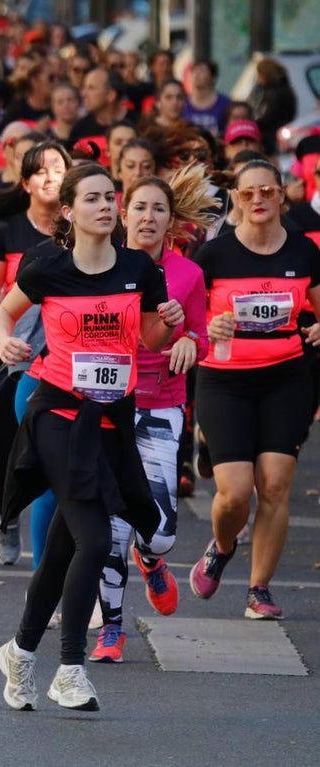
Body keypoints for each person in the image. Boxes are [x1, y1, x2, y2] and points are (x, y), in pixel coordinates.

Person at [0, 163, 183, 711]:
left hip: (111, 417)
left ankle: (21, 652)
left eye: (110, 197)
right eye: (93, 198)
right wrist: (7, 343)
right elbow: (5, 316)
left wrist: (167, 320)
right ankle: (70, 668)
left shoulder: (139, 268)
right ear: (69, 211)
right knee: (96, 540)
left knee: (63, 547)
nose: (106, 206)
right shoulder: (48, 266)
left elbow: (147, 336)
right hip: (55, 411)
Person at [90, 168, 214, 663]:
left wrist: (187, 340)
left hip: (162, 406)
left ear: (170, 221)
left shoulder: (189, 274)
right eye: (139, 207)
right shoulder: (102, 263)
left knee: (159, 532)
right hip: (107, 405)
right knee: (113, 528)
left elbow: (202, 334)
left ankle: (152, 559)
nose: (147, 217)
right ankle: (112, 631)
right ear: (124, 214)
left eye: (157, 209)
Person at [190, 159, 320, 620]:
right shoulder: (215, 255)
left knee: (276, 484)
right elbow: (184, 319)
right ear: (237, 201)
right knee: (235, 492)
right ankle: (223, 544)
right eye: (248, 194)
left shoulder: (303, 253)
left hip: (286, 377)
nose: (258, 200)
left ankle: (259, 589)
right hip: (225, 381)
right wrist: (210, 321)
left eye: (267, 191)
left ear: (283, 196)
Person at [0, 140, 71, 565]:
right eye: (42, 171)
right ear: (27, 182)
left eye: (58, 169)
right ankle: (8, 516)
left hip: (65, 359)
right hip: (11, 354)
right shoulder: (9, 232)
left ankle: (52, 549)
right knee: (12, 451)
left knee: (53, 457)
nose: (51, 177)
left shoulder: (83, 227)